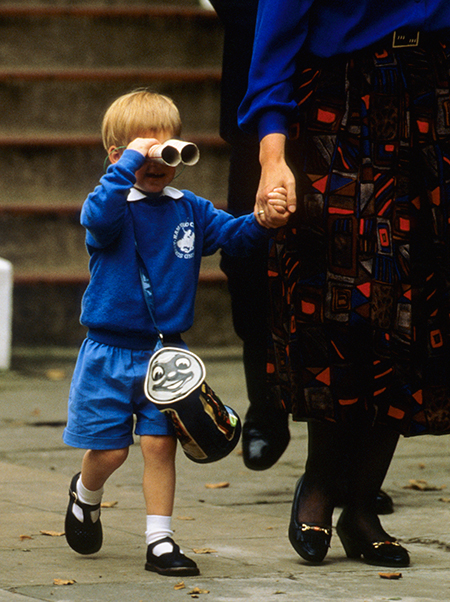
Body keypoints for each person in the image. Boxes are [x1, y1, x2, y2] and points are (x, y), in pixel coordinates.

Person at [238, 1, 450, 567]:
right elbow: (276, 38)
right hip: (342, 107)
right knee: (339, 307)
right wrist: (272, 154)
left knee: (419, 310)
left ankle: (360, 505)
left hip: (434, 100)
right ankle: (319, 482)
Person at [62, 89, 289, 576]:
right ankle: (85, 493)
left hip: (165, 356)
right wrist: (127, 164)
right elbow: (96, 217)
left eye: (169, 148)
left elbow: (234, 237)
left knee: (160, 445)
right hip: (109, 351)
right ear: (117, 154)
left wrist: (264, 220)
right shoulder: (112, 205)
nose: (160, 160)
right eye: (147, 150)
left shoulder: (189, 208)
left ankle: (160, 541)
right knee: (108, 451)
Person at [210, 0, 394, 516]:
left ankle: (349, 466)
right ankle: (265, 401)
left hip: (363, 66)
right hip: (269, 74)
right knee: (252, 253)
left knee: (361, 263)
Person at [210, 0, 291, 471]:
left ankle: (347, 449)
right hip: (256, 76)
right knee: (249, 253)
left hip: (353, 80)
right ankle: (266, 405)